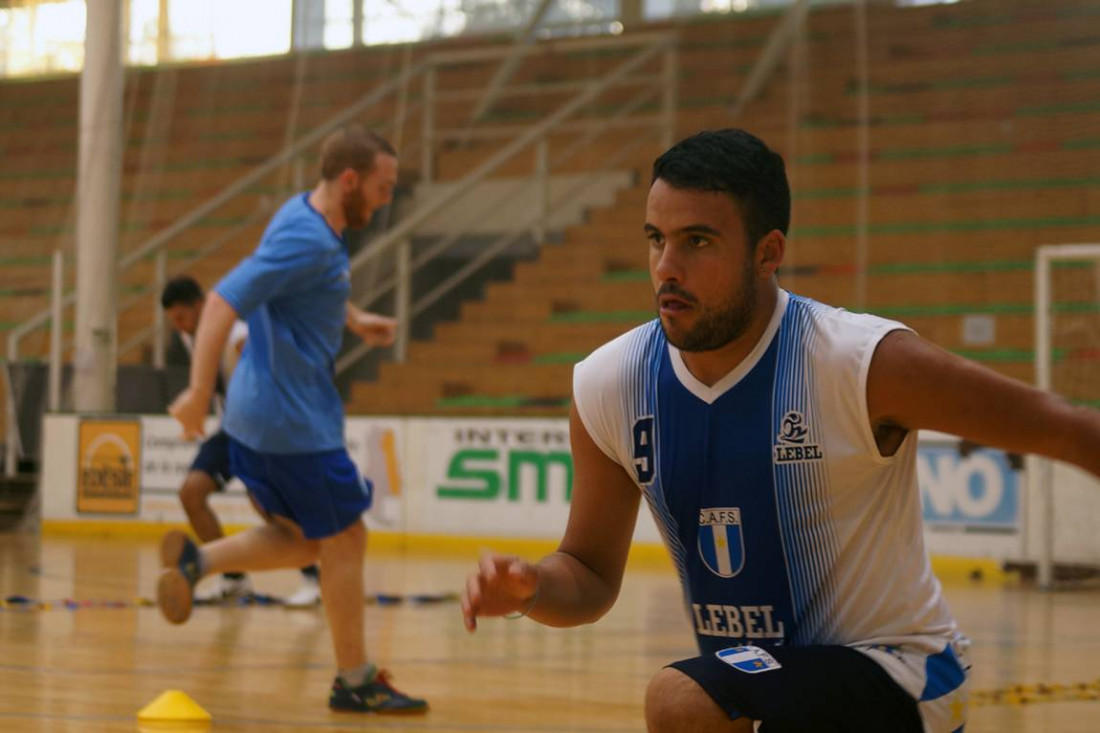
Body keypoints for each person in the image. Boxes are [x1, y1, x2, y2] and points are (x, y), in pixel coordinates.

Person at [460, 128, 1100, 732]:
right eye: (656, 238)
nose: (666, 266)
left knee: (683, 699)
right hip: (769, 685)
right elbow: (590, 574)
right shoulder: (609, 383)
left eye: (698, 241)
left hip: (902, 673)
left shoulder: (862, 361)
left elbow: (1067, 430)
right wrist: (532, 587)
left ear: (767, 253)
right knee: (701, 700)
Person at [161, 124, 427, 714]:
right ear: (350, 179)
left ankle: (197, 561)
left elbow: (301, 288)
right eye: (382, 188)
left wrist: (353, 319)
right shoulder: (308, 239)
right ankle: (355, 680)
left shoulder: (304, 217)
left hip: (257, 424)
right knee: (347, 536)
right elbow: (223, 301)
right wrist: (200, 390)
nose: (387, 200)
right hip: (292, 424)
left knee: (303, 539)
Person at [160, 275, 322, 607]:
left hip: (262, 431)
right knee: (191, 494)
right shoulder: (191, 335)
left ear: (201, 305)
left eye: (181, 317)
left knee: (267, 508)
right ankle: (233, 580)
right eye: (173, 321)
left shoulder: (237, 334)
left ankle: (313, 579)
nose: (179, 327)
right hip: (230, 429)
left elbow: (267, 355)